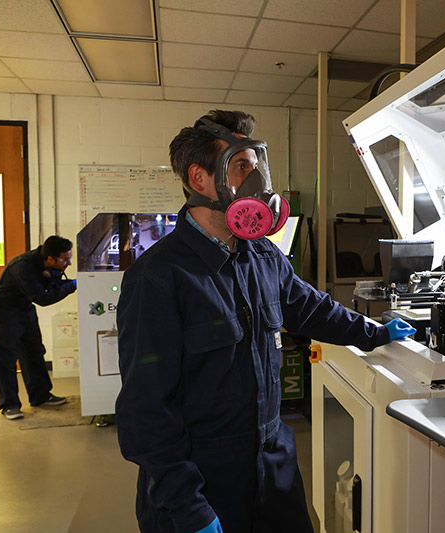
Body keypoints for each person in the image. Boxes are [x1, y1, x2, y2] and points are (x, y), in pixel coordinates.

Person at [115, 109, 416, 533]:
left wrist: (376, 332)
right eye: (241, 167)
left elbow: (311, 308)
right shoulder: (158, 278)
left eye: (257, 168)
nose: (257, 184)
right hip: (203, 477)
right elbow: (145, 409)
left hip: (273, 463)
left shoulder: (264, 256)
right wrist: (187, 505)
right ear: (199, 178)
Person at [0, 235, 77, 420]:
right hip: (3, 312)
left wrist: (76, 282)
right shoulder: (23, 267)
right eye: (65, 259)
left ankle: (41, 396)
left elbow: (55, 285)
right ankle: (9, 405)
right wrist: (74, 285)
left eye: (69, 258)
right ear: (50, 258)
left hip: (25, 310)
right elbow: (43, 298)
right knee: (5, 359)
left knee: (34, 352)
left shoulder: (49, 264)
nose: (68, 263)